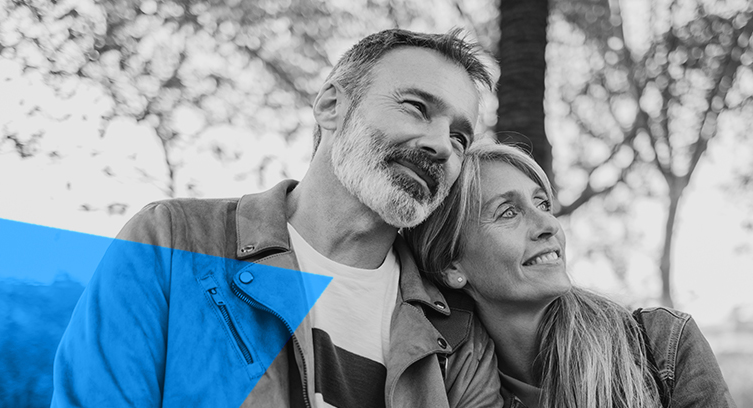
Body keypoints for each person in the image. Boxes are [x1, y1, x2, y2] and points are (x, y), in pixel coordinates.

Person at [51, 29, 504, 408]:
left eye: (460, 137)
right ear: (331, 106)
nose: (442, 146)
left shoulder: (460, 340)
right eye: (416, 108)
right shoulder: (171, 241)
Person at [406, 138, 736, 408]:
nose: (548, 225)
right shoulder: (443, 382)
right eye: (508, 212)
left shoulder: (664, 344)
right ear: (452, 266)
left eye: (543, 204)